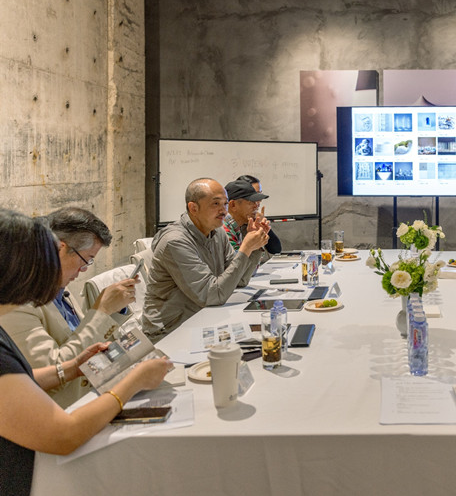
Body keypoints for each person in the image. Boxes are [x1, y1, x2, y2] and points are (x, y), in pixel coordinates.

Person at [0, 209, 171, 495]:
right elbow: (63, 434)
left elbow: (20, 378)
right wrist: (133, 382)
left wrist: (70, 368)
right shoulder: (17, 309)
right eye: (42, 261)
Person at [0, 207, 139, 407]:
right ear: (60, 248)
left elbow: (80, 339)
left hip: (96, 388)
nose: (83, 270)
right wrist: (101, 312)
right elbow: (52, 373)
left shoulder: (59, 287)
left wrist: (113, 310)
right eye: (86, 260)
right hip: (67, 406)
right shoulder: (17, 301)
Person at [142, 178, 269, 340]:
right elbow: (212, 296)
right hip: (171, 330)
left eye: (225, 204)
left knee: (268, 332)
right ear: (193, 208)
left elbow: (240, 280)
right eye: (216, 204)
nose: (224, 211)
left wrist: (255, 247)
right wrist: (245, 248)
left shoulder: (218, 232)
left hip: (204, 317)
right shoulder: (175, 241)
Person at [223, 179, 282, 255]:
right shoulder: (224, 230)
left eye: (256, 202)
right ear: (233, 205)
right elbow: (238, 262)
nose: (256, 206)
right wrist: (252, 245)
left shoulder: (236, 227)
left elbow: (276, 249)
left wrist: (257, 239)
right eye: (251, 202)